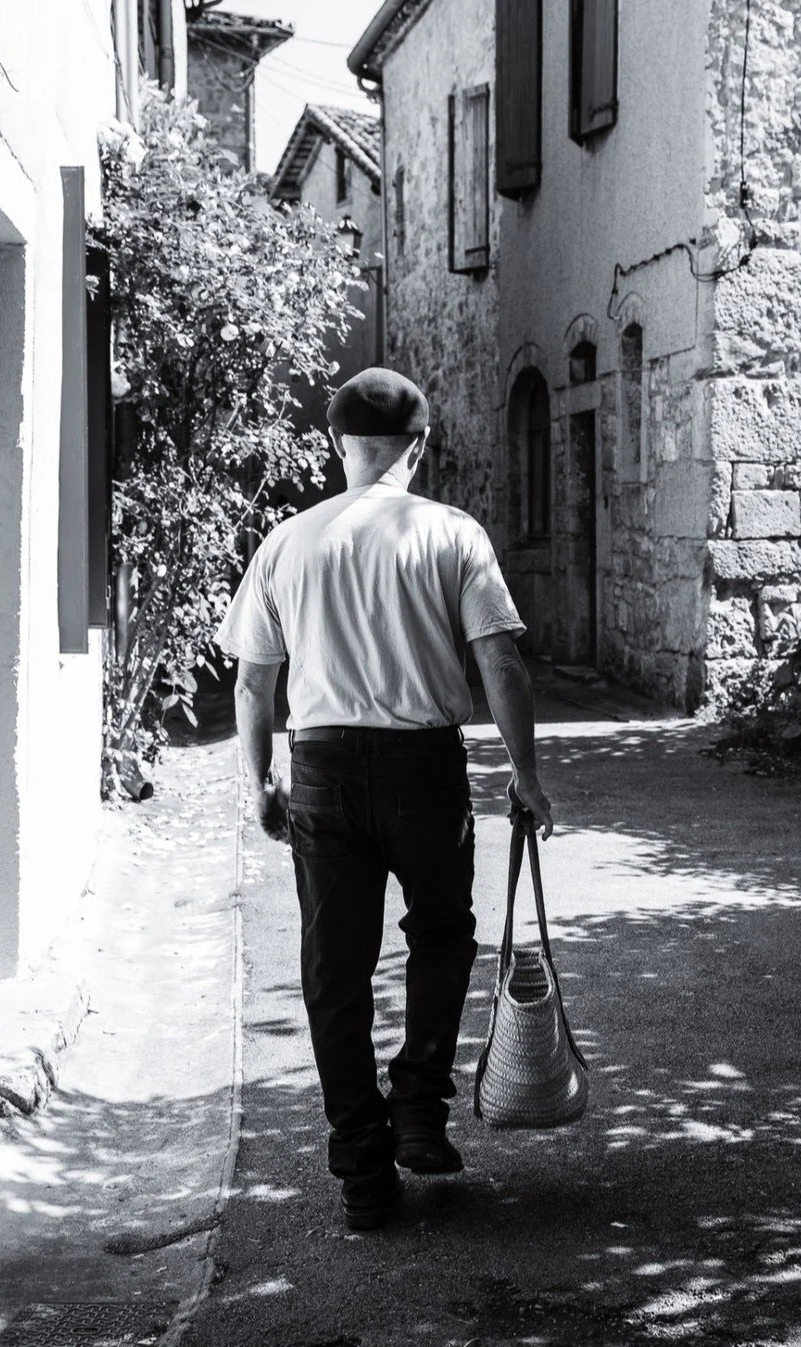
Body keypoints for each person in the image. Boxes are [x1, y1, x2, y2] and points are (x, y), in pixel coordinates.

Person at [214, 367, 553, 1231]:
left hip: (322, 770)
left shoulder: (289, 541)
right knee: (442, 939)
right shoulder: (450, 533)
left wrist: (259, 782)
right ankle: (417, 1112)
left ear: (338, 446)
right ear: (421, 446)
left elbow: (255, 684)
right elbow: (501, 662)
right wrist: (527, 772)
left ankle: (362, 1171)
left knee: (336, 972)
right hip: (422, 774)